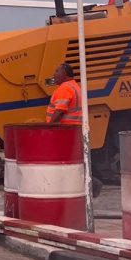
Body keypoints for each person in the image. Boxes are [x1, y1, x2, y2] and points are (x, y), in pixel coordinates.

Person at [46, 63, 102, 196]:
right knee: (73, 160)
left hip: (64, 131)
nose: (54, 74)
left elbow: (59, 110)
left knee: (67, 162)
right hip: (73, 130)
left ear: (65, 74)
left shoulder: (65, 88)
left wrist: (49, 128)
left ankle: (92, 184)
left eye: (57, 71)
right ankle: (91, 183)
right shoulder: (75, 86)